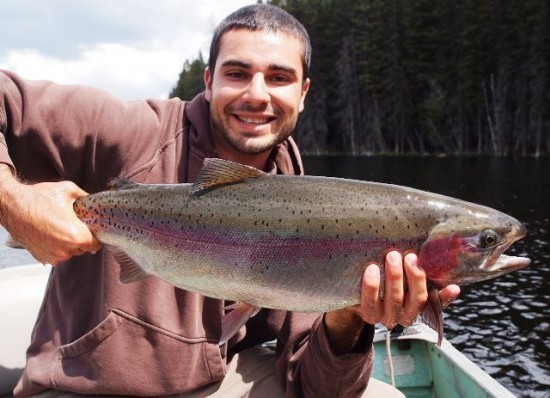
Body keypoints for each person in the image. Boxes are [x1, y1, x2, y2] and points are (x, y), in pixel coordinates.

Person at [0, 4, 460, 397]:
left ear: (302, 93)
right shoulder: (128, 131)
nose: (256, 94)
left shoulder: (309, 201)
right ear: (208, 79)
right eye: (238, 73)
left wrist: (351, 315)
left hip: (217, 385)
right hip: (84, 387)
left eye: (278, 77)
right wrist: (15, 202)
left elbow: (313, 385)